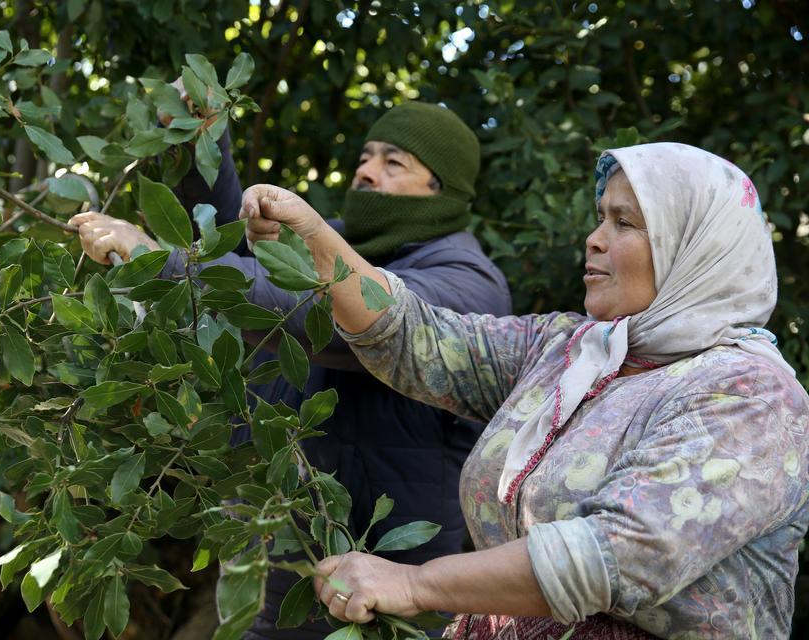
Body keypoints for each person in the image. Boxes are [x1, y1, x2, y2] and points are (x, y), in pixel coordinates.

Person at [238, 142, 809, 639]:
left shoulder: (752, 396)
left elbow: (613, 556)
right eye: (599, 218)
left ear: (696, 248)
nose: (594, 239)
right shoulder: (570, 351)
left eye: (624, 223)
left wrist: (413, 584)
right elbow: (417, 340)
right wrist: (314, 237)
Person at [70, 102, 512, 638]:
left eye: (394, 162)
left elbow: (321, 310)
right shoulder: (331, 246)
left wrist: (162, 262)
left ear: (441, 189)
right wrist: (197, 146)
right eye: (366, 156)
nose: (366, 171)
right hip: (276, 572)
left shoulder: (466, 282)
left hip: (384, 593)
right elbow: (233, 256)